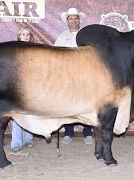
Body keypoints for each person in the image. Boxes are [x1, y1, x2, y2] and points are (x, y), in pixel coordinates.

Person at [54, 8, 93, 145]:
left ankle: (88, 132)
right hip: (68, 76)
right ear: (67, 21)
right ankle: (68, 132)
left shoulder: (87, 35)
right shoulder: (62, 37)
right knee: (68, 103)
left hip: (85, 74)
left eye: (76, 18)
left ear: (79, 20)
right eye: (71, 18)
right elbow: (56, 55)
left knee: (87, 103)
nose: (73, 21)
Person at [10, 26, 35, 151]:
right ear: (19, 36)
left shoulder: (34, 50)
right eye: (23, 34)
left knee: (29, 112)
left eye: (28, 34)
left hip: (30, 84)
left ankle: (28, 139)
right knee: (17, 113)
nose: (26, 36)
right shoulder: (14, 49)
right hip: (17, 84)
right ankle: (16, 142)